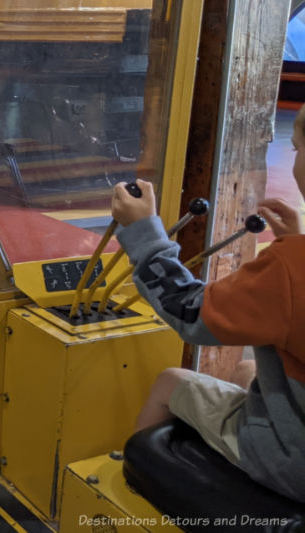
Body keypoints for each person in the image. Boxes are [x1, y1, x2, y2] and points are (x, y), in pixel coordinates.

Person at [110, 109, 305, 504]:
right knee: (248, 368)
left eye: (298, 147)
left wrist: (145, 234)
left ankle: (126, 493)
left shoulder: (290, 267)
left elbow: (190, 311)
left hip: (294, 466)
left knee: (170, 381)